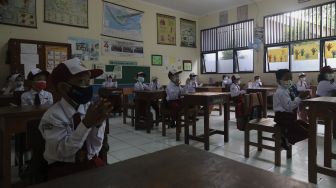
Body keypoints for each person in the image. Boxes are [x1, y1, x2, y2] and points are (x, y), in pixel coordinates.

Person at [39, 58, 112, 179]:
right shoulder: (52, 116)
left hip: (90, 164)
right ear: (63, 87)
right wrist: (86, 124)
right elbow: (64, 152)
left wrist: (97, 126)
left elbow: (94, 147)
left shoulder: (89, 109)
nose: (88, 87)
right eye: (82, 81)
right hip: (63, 169)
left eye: (89, 81)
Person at [273, 69, 309, 149]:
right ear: (278, 81)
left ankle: (285, 138)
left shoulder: (286, 90)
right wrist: (299, 98)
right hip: (283, 118)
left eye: (291, 78)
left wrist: (299, 98)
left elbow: (291, 103)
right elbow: (289, 106)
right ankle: (285, 139)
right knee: (306, 131)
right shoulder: (281, 92)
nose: (289, 81)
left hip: (288, 117)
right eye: (286, 79)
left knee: (307, 127)